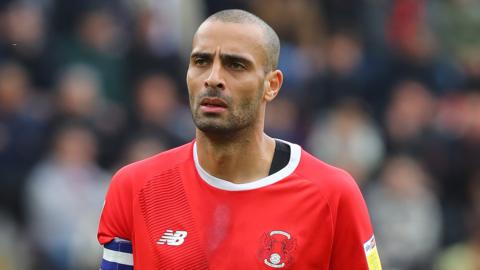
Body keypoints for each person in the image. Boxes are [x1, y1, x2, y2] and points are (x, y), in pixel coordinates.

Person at [97, 9, 381, 270]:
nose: (213, 78)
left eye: (235, 65)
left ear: (272, 85)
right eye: (201, 61)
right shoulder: (135, 188)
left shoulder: (332, 195)